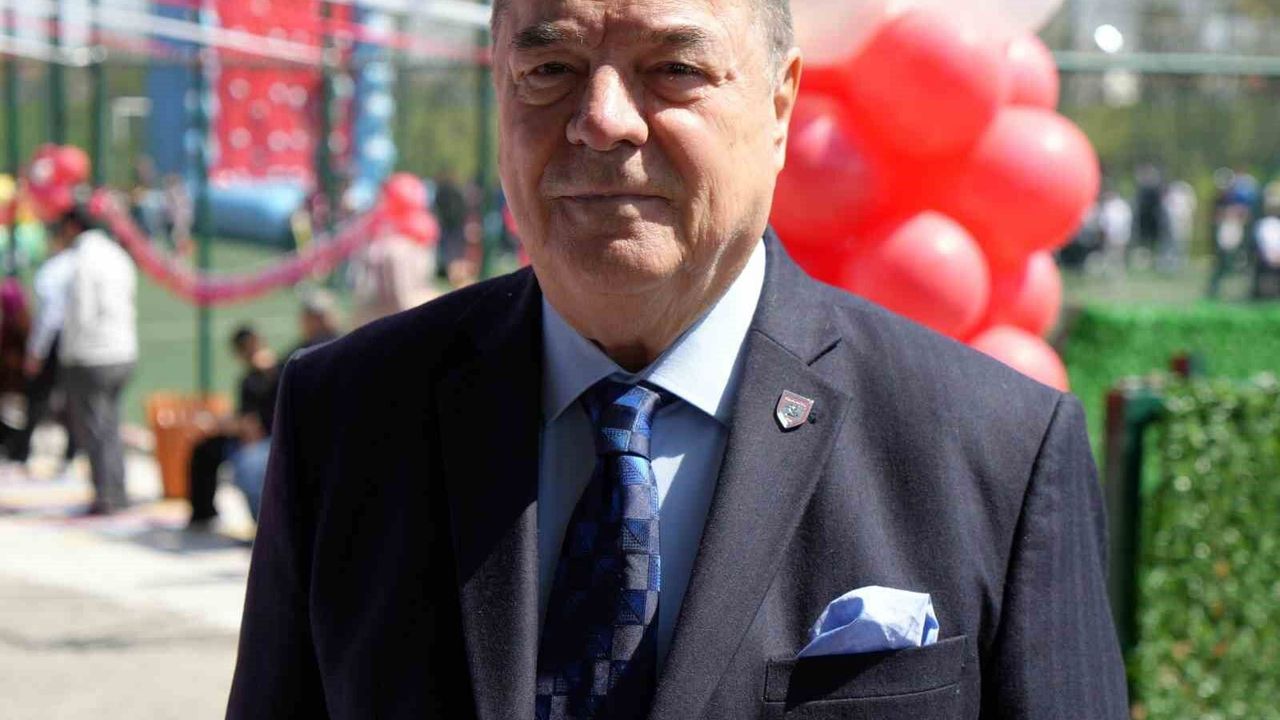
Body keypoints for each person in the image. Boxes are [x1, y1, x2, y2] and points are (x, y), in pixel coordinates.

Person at [228, 0, 1128, 716]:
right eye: (550, 70)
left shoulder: (997, 449)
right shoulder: (345, 417)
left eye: (674, 70)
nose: (602, 121)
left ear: (780, 106)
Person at [58, 203, 137, 515]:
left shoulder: (82, 260)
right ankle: (118, 490)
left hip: (92, 355)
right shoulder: (117, 254)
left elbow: (82, 313)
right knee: (111, 425)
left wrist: (68, 354)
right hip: (123, 351)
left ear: (72, 227)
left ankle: (105, 494)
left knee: (94, 429)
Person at [187, 325, 280, 528]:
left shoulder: (280, 369)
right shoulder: (250, 378)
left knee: (248, 464)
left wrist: (220, 425)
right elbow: (247, 417)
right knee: (204, 449)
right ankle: (204, 514)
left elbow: (251, 427)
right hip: (256, 436)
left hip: (268, 439)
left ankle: (264, 526)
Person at [8, 217, 79, 465]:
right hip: (79, 337)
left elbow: (49, 317)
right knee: (71, 397)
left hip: (57, 339)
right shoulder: (77, 263)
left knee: (38, 395)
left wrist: (36, 352)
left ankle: (23, 450)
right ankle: (73, 450)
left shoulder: (53, 270)